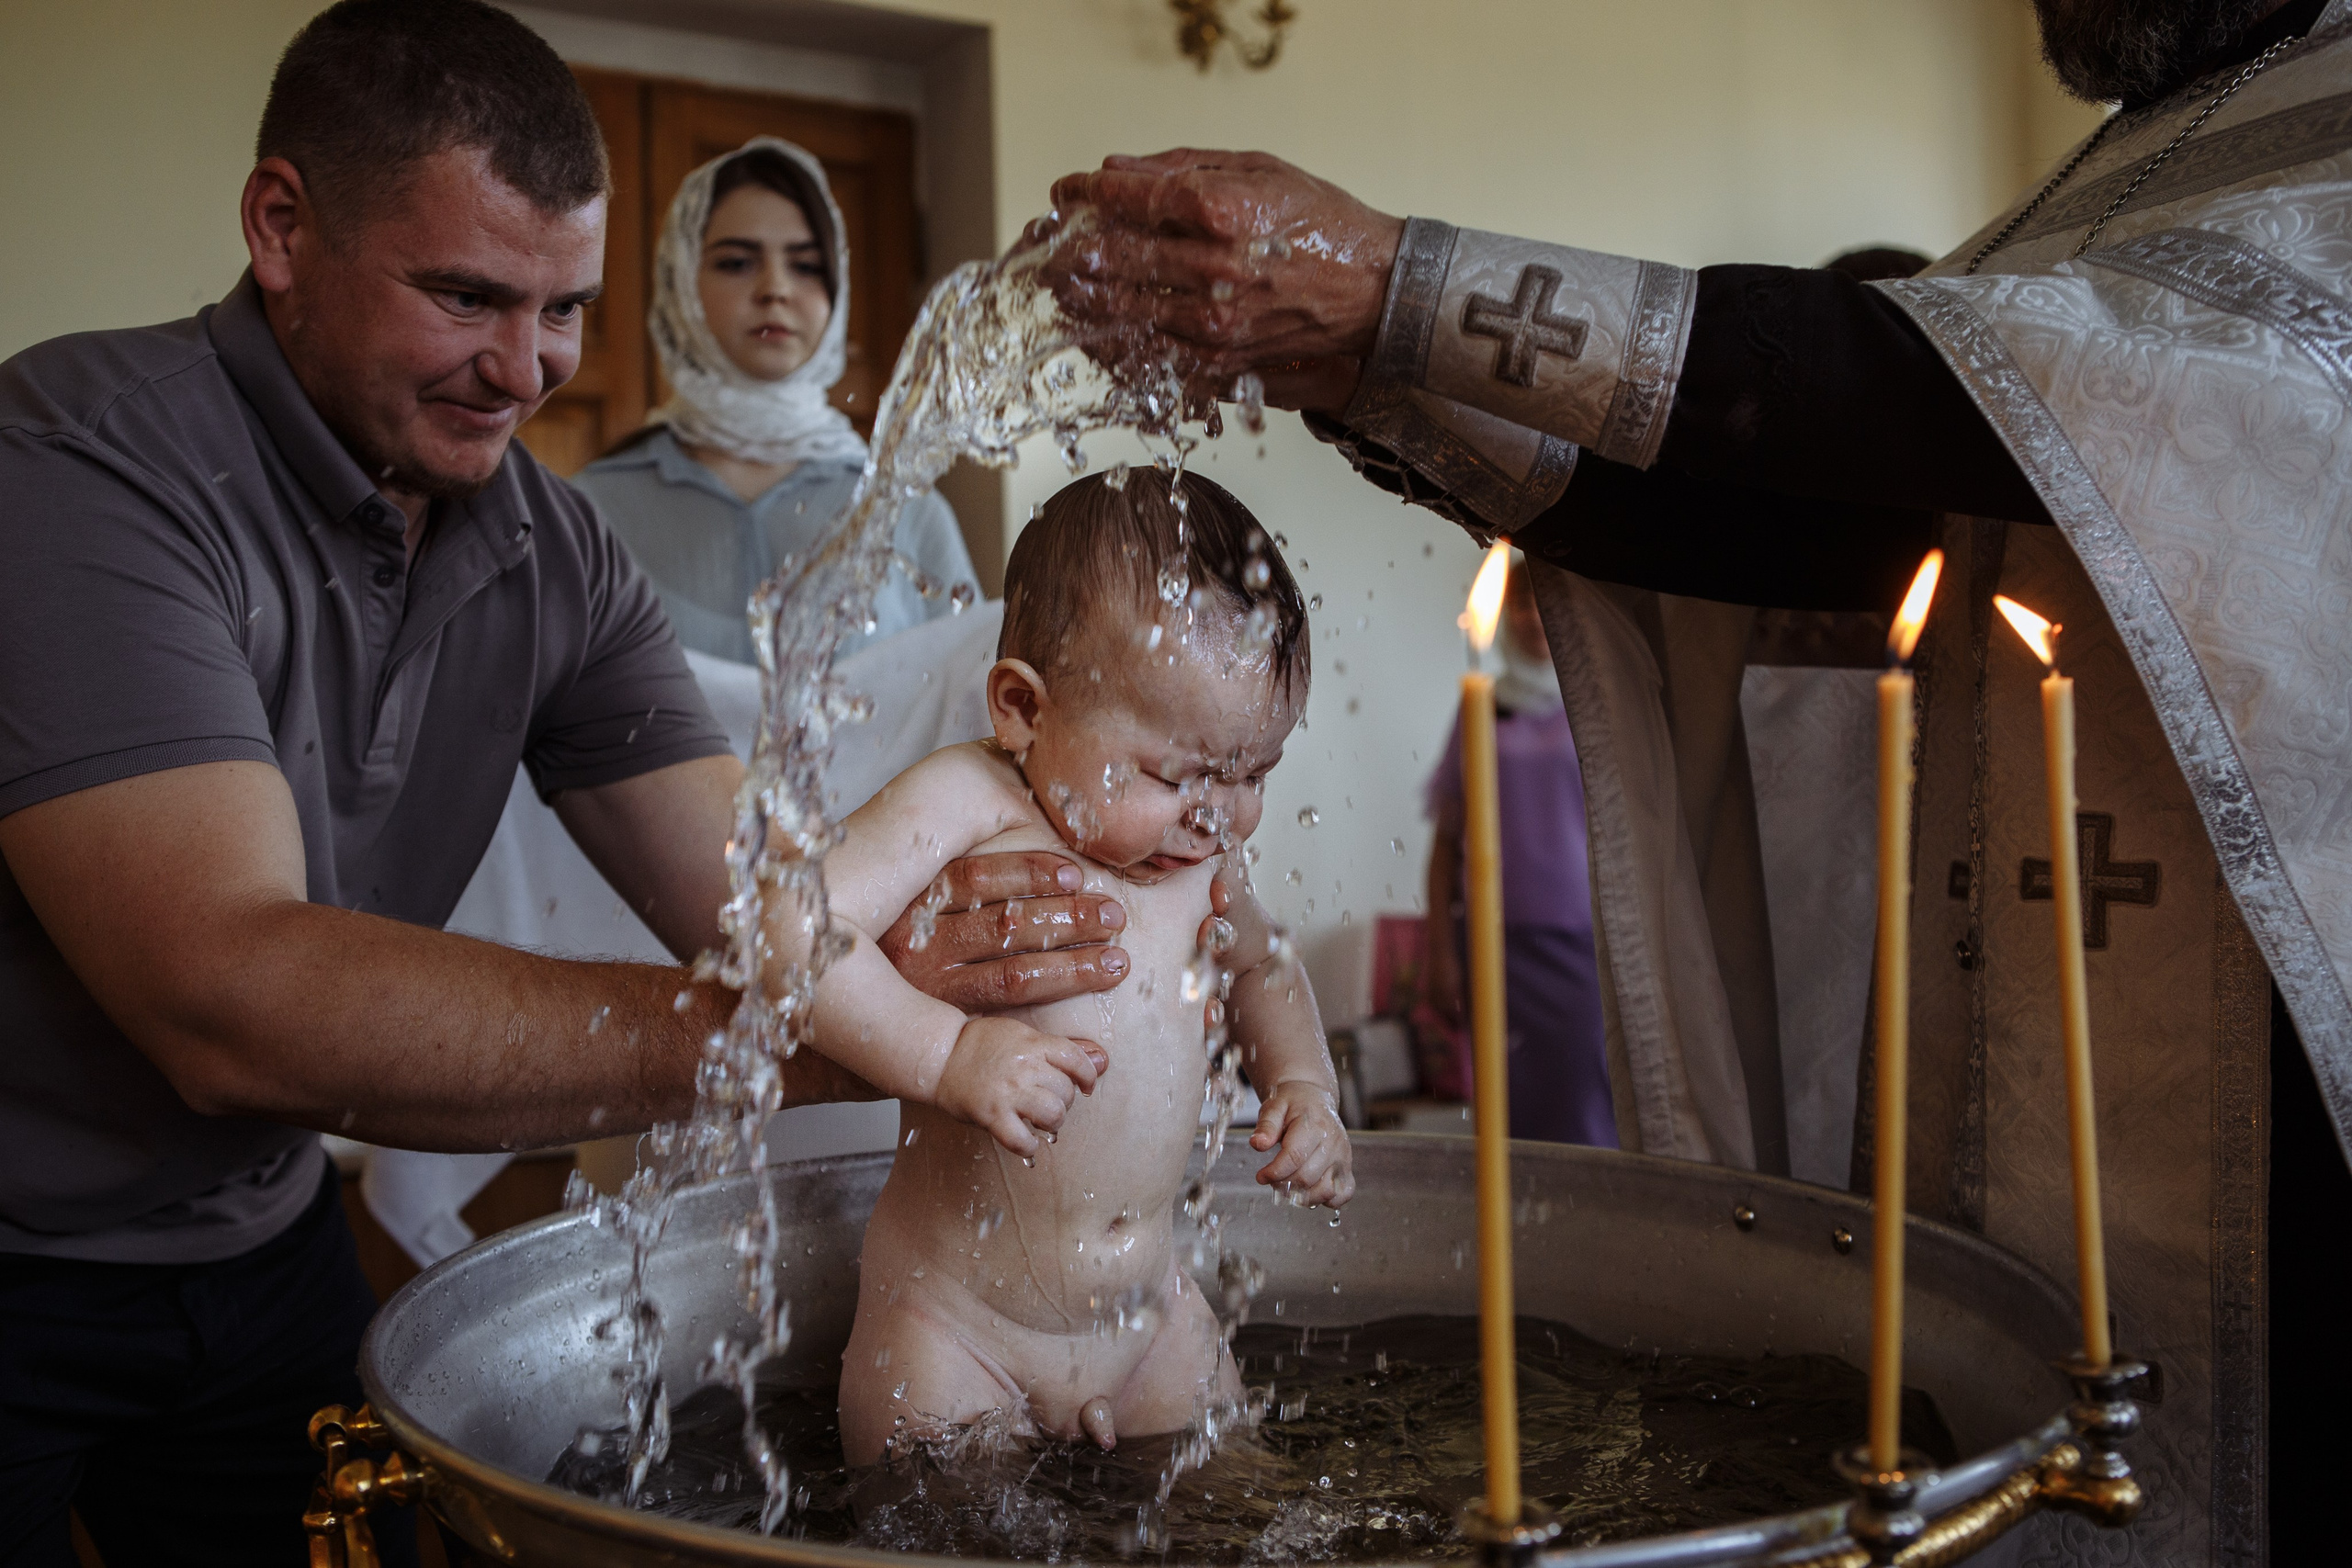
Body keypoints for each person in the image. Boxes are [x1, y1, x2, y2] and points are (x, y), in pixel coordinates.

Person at [1038, 0, 2350, 1555]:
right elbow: (1821, 522)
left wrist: (1409, 289)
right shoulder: (2134, 171)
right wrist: (1373, 357)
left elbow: (1959, 403)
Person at [0, 5, 1118, 1560]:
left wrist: (979, 958)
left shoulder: (552, 547)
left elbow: (750, 890)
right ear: (282, 227)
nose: (523, 369)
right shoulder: (81, 463)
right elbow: (227, 996)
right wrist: (878, 1042)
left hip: (256, 1237)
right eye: (465, 295)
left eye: (566, 308)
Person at [822, 470, 1351, 1464]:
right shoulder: (970, 801)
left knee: (1244, 1502)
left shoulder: (1201, 858)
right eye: (1176, 773)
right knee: (932, 1521)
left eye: (1254, 773)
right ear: (1024, 708)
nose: (1218, 814)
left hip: (1148, 1322)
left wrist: (1304, 1086)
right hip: (953, 1327)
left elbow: (1262, 966)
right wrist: (946, 1054)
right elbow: (796, 930)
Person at [572, 137, 977, 663]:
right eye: (736, 262)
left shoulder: (905, 508)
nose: (775, 289)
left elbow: (968, 695)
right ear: (681, 283)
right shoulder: (590, 512)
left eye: (807, 267)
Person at [1421, 554, 1610, 1146]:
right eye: (1521, 604)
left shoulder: (1599, 706)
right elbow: (1446, 842)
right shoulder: (1480, 706)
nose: (1532, 619)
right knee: (1508, 1111)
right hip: (1494, 947)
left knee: (1585, 1101)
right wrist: (1439, 951)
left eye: (1543, 605)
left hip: (1585, 948)